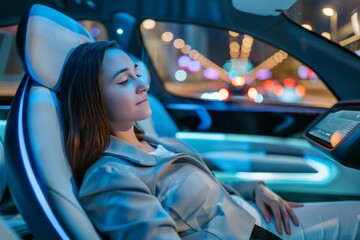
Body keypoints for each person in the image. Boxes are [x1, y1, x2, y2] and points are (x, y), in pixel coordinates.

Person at [58, 40, 360, 240]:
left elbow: (207, 183)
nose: (144, 84)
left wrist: (254, 188)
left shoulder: (154, 142)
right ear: (92, 100)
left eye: (137, 73)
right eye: (124, 80)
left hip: (256, 216)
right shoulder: (109, 179)